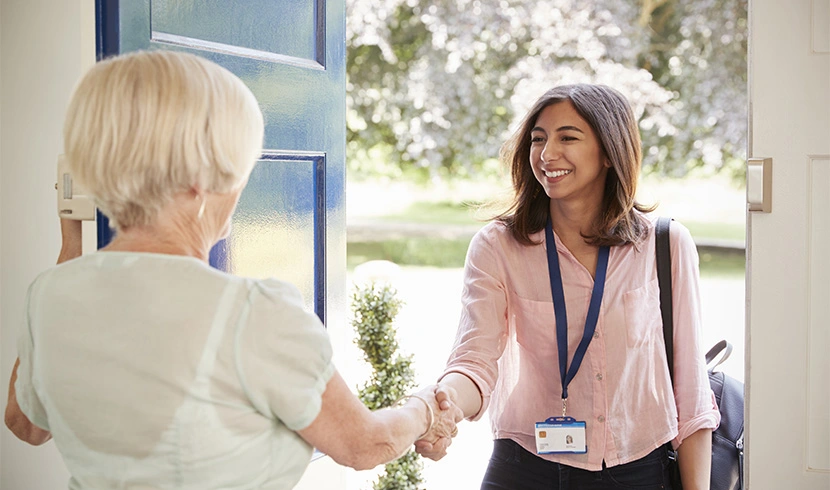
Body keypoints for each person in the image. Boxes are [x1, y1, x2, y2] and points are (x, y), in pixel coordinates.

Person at [4, 50, 462, 489]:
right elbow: (365, 444)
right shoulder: (255, 313)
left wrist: (70, 244)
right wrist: (424, 408)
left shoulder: (47, 295)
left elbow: (25, 424)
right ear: (200, 180)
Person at [415, 84, 720, 490]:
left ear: (610, 152)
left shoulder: (665, 246)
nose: (546, 154)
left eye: (567, 138)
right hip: (525, 467)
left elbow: (690, 389)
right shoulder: (498, 247)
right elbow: (475, 360)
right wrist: (444, 407)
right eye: (538, 139)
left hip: (636, 469)